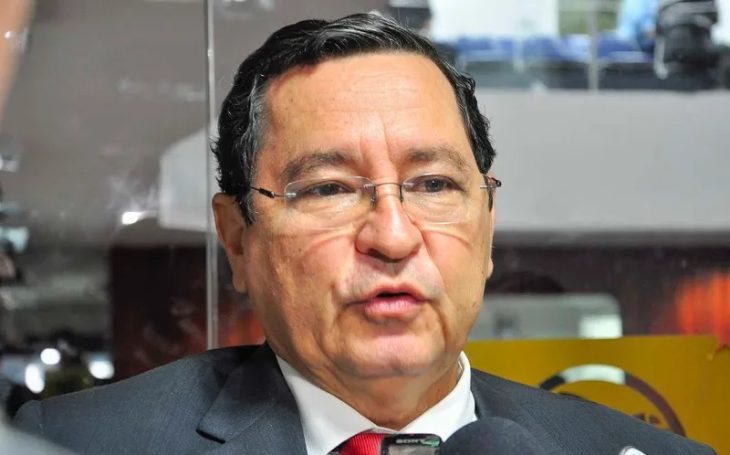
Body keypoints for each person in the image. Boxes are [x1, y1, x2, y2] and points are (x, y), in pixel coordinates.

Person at [12, 13, 716, 455]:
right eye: (328, 189)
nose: (393, 236)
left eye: (433, 184)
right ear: (238, 240)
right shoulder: (75, 443)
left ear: (488, 225)